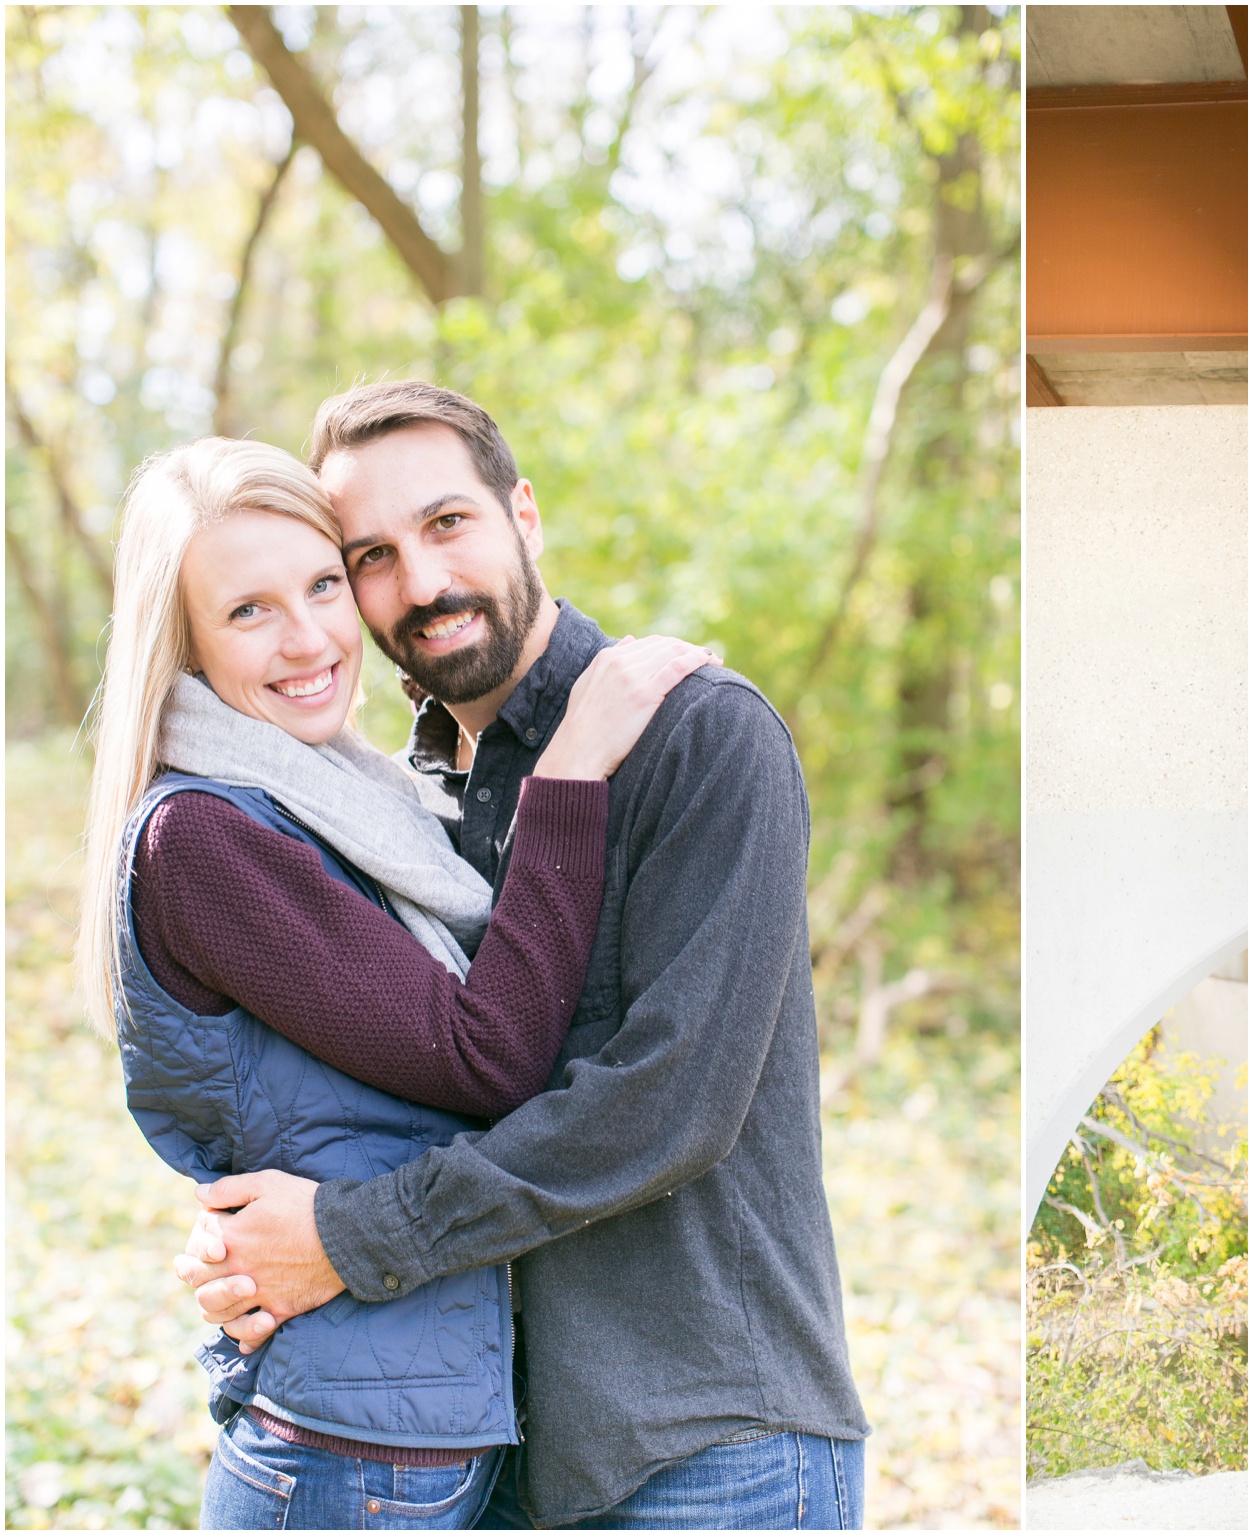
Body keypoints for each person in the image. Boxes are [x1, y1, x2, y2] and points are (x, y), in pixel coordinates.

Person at [168, 382, 871, 1529]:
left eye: (449, 523)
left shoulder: (697, 736)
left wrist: (349, 1238)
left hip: (708, 1443)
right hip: (500, 1455)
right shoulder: (407, 801)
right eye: (373, 556)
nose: (424, 582)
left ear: (522, 515)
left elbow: (669, 1103)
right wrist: (253, 1236)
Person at [78, 437, 713, 1528]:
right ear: (179, 642)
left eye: (323, 583)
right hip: (347, 1450)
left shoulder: (338, 799)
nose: (311, 636)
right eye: (248, 611)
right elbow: (487, 1054)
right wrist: (566, 771)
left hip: (408, 1427)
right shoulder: (206, 838)